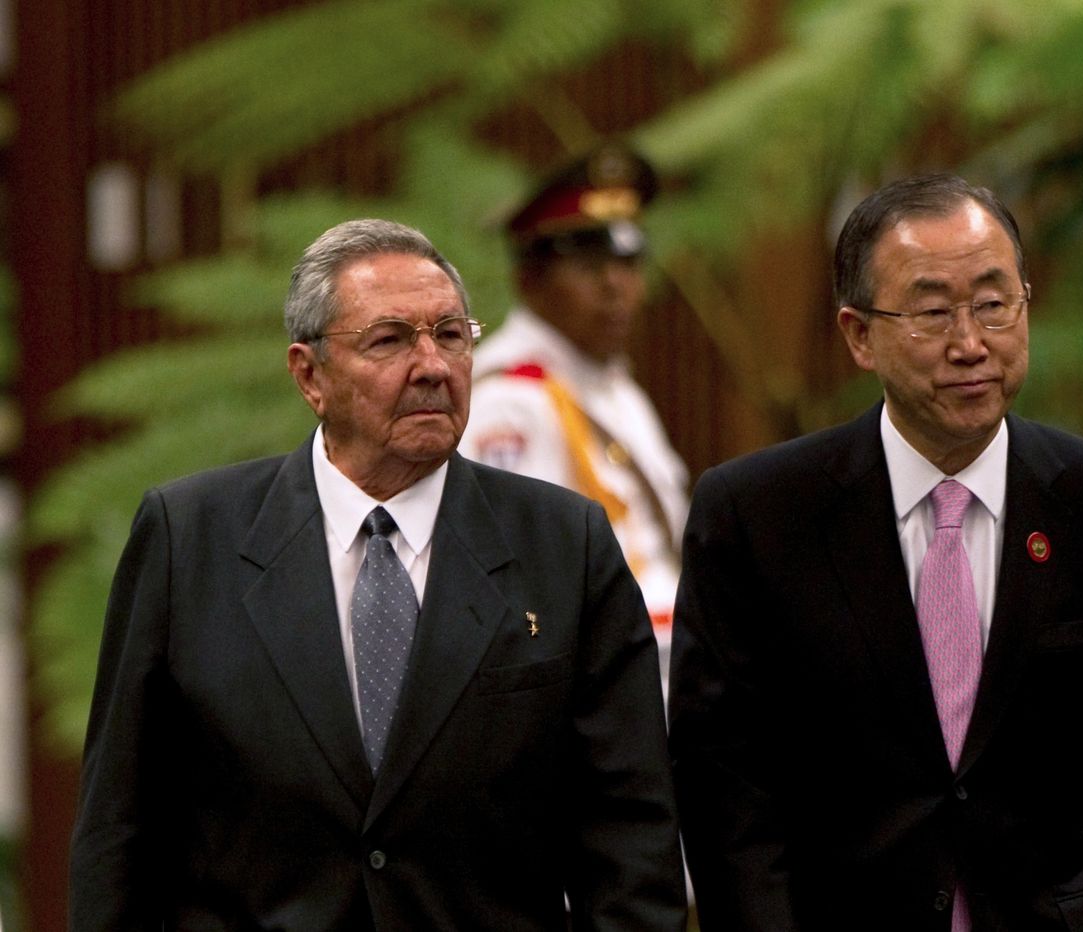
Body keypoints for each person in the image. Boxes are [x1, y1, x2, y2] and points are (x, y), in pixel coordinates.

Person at [68, 219, 687, 930]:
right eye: (390, 340)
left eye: (451, 336)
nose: (432, 365)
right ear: (309, 375)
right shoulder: (190, 539)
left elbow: (630, 837)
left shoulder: (564, 543)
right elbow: (120, 827)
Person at [667, 174, 1083, 931]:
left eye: (995, 304)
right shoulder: (757, 514)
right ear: (859, 335)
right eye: (934, 313)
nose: (971, 344)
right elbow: (725, 790)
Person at [460, 142, 689, 695]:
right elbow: (524, 594)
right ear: (529, 280)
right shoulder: (511, 400)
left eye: (627, 263)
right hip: (597, 691)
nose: (615, 287)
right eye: (589, 266)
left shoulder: (611, 385)